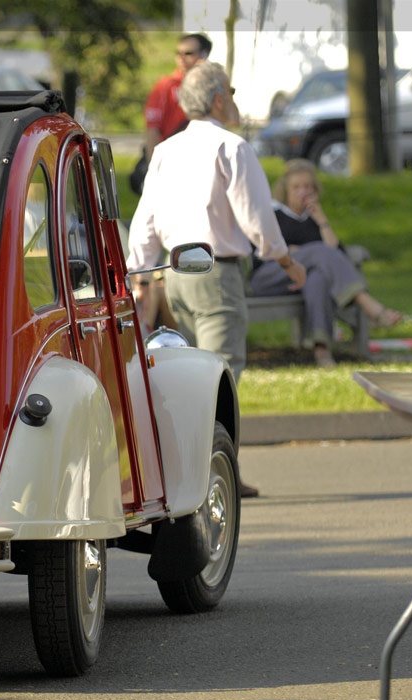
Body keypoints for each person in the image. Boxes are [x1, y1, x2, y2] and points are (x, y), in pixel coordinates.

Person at [127, 61, 307, 499]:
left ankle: (206, 471)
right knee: (219, 377)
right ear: (219, 99)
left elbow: (146, 218)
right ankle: (211, 475)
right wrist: (285, 261)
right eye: (231, 90)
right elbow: (257, 216)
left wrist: (140, 273)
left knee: (191, 377)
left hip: (175, 274)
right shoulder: (232, 147)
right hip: (216, 273)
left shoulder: (167, 150)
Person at [250, 159, 403, 367]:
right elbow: (261, 252)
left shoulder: (313, 220)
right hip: (268, 278)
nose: (302, 192)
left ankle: (322, 350)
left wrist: (322, 220)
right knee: (318, 251)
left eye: (308, 187)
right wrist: (299, 254)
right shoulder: (273, 215)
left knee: (318, 279)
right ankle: (369, 306)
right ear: (285, 189)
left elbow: (337, 255)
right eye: (296, 187)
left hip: (302, 282)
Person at [129, 33, 213, 197]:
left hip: (203, 163)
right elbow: (152, 130)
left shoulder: (213, 85)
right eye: (178, 53)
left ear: (204, 54)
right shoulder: (165, 86)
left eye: (188, 53)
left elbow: (230, 118)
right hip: (172, 163)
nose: (181, 58)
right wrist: (155, 169)